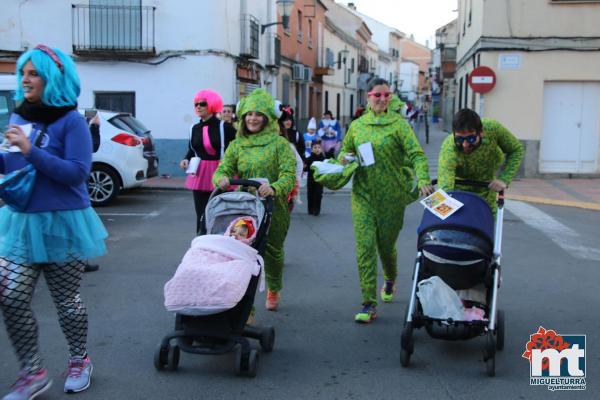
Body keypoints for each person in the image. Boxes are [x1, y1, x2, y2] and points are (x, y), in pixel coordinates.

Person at [0, 45, 108, 398]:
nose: (26, 79)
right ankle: (32, 371)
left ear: (53, 78)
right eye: (24, 73)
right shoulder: (19, 117)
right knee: (11, 297)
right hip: (21, 221)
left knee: (66, 301)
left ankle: (79, 359)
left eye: (34, 73)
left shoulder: (71, 121)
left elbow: (77, 174)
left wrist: (33, 151)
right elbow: (15, 167)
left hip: (63, 222)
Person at [338, 78, 434, 323]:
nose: (382, 99)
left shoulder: (400, 125)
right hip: (363, 196)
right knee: (365, 247)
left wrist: (423, 178)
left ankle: (390, 277)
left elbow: (416, 155)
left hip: (392, 196)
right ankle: (368, 302)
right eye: (377, 95)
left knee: (386, 246)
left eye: (386, 95)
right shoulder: (357, 126)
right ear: (368, 97)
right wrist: (345, 161)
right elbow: (344, 151)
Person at [214, 89, 296, 311]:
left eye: (258, 114)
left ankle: (274, 287)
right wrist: (221, 179)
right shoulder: (237, 145)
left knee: (273, 252)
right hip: (243, 206)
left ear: (268, 117)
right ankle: (246, 305)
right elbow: (223, 168)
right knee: (242, 253)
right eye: (249, 114)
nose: (253, 118)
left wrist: (275, 187)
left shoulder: (280, 145)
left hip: (273, 207)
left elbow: (289, 174)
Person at [437, 108, 524, 214]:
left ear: (481, 132)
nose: (465, 145)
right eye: (459, 139)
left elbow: (516, 149)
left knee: (487, 225)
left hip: (486, 189)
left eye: (471, 139)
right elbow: (445, 188)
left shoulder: (493, 129)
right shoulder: (448, 148)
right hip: (459, 191)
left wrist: (504, 178)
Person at [180, 89, 236, 234]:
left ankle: (221, 242)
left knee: (220, 213)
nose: (198, 107)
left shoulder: (225, 127)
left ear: (211, 105)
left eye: (202, 104)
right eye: (196, 104)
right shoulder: (194, 128)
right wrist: (186, 159)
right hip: (200, 173)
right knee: (201, 213)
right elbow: (192, 149)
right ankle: (201, 241)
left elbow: (237, 150)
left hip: (221, 172)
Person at [84, 111, 102, 273]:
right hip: (76, 189)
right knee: (79, 224)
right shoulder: (71, 122)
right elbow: (91, 146)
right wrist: (95, 127)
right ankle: (81, 260)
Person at [305, 140, 326, 216]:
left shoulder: (323, 158)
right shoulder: (309, 159)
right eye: (315, 147)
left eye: (319, 147)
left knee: (318, 194)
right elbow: (306, 168)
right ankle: (310, 209)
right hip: (310, 179)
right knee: (310, 194)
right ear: (311, 149)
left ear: (321, 149)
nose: (317, 149)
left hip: (319, 180)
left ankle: (317, 210)